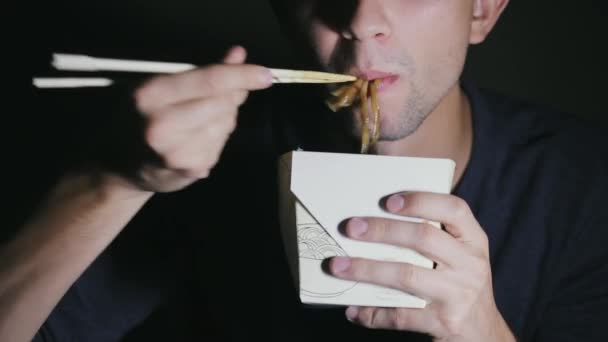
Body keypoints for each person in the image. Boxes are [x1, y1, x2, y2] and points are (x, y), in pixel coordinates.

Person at [2, 0, 607, 341]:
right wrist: (111, 182)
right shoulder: (195, 157)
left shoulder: (584, 185)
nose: (363, 16)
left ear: (481, 10)